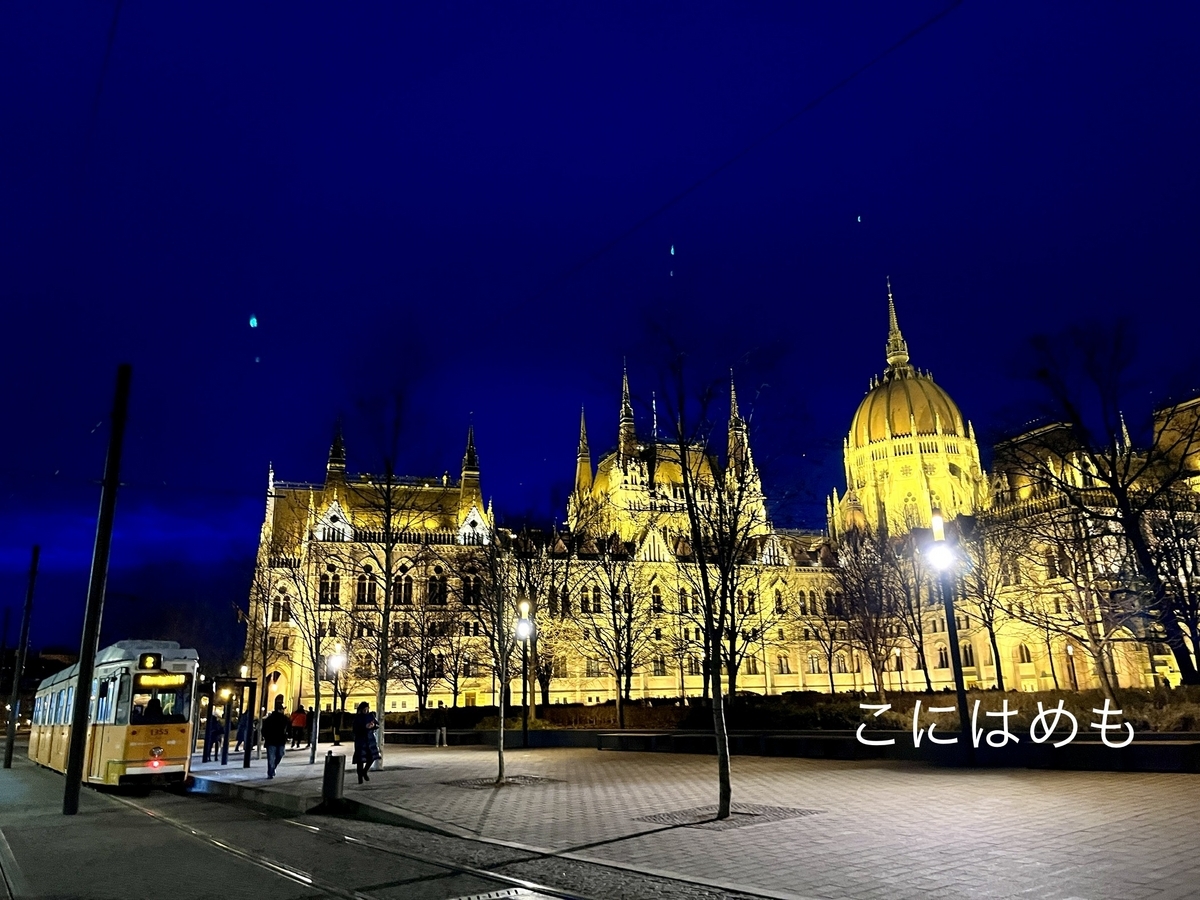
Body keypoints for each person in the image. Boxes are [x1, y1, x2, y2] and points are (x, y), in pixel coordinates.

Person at [351, 701, 381, 784]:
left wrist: (373, 726)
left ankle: (365, 771)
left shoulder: (370, 716)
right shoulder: (357, 718)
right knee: (360, 760)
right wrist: (365, 727)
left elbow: (377, 725)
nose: (366, 710)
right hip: (361, 741)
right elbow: (355, 730)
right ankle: (360, 777)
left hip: (370, 740)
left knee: (372, 757)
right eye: (364, 709)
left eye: (367, 709)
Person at [261, 695, 290, 779]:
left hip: (274, 740)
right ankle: (271, 770)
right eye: (282, 709)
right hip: (275, 740)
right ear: (279, 710)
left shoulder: (281, 719)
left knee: (274, 756)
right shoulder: (276, 719)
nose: (283, 711)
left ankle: (272, 769)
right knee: (277, 755)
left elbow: (264, 729)